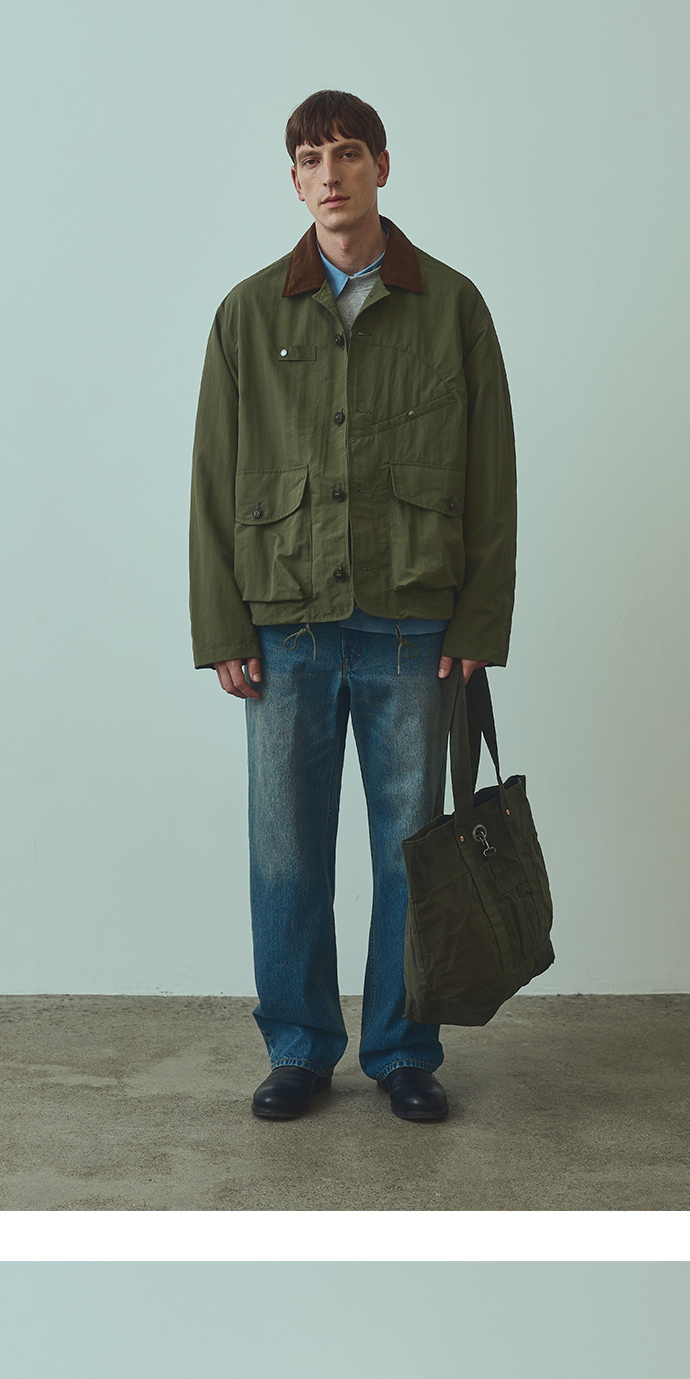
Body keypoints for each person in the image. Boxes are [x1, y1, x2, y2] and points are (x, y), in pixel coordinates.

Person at [190, 83, 516, 1127]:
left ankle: (403, 1050)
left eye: (347, 154)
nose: (329, 175)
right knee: (286, 856)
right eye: (310, 159)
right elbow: (212, 478)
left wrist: (479, 622)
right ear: (294, 181)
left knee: (410, 854)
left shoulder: (452, 306)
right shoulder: (248, 313)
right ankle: (297, 1048)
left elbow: (492, 476)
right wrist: (220, 626)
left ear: (381, 166)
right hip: (283, 626)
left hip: (412, 627)